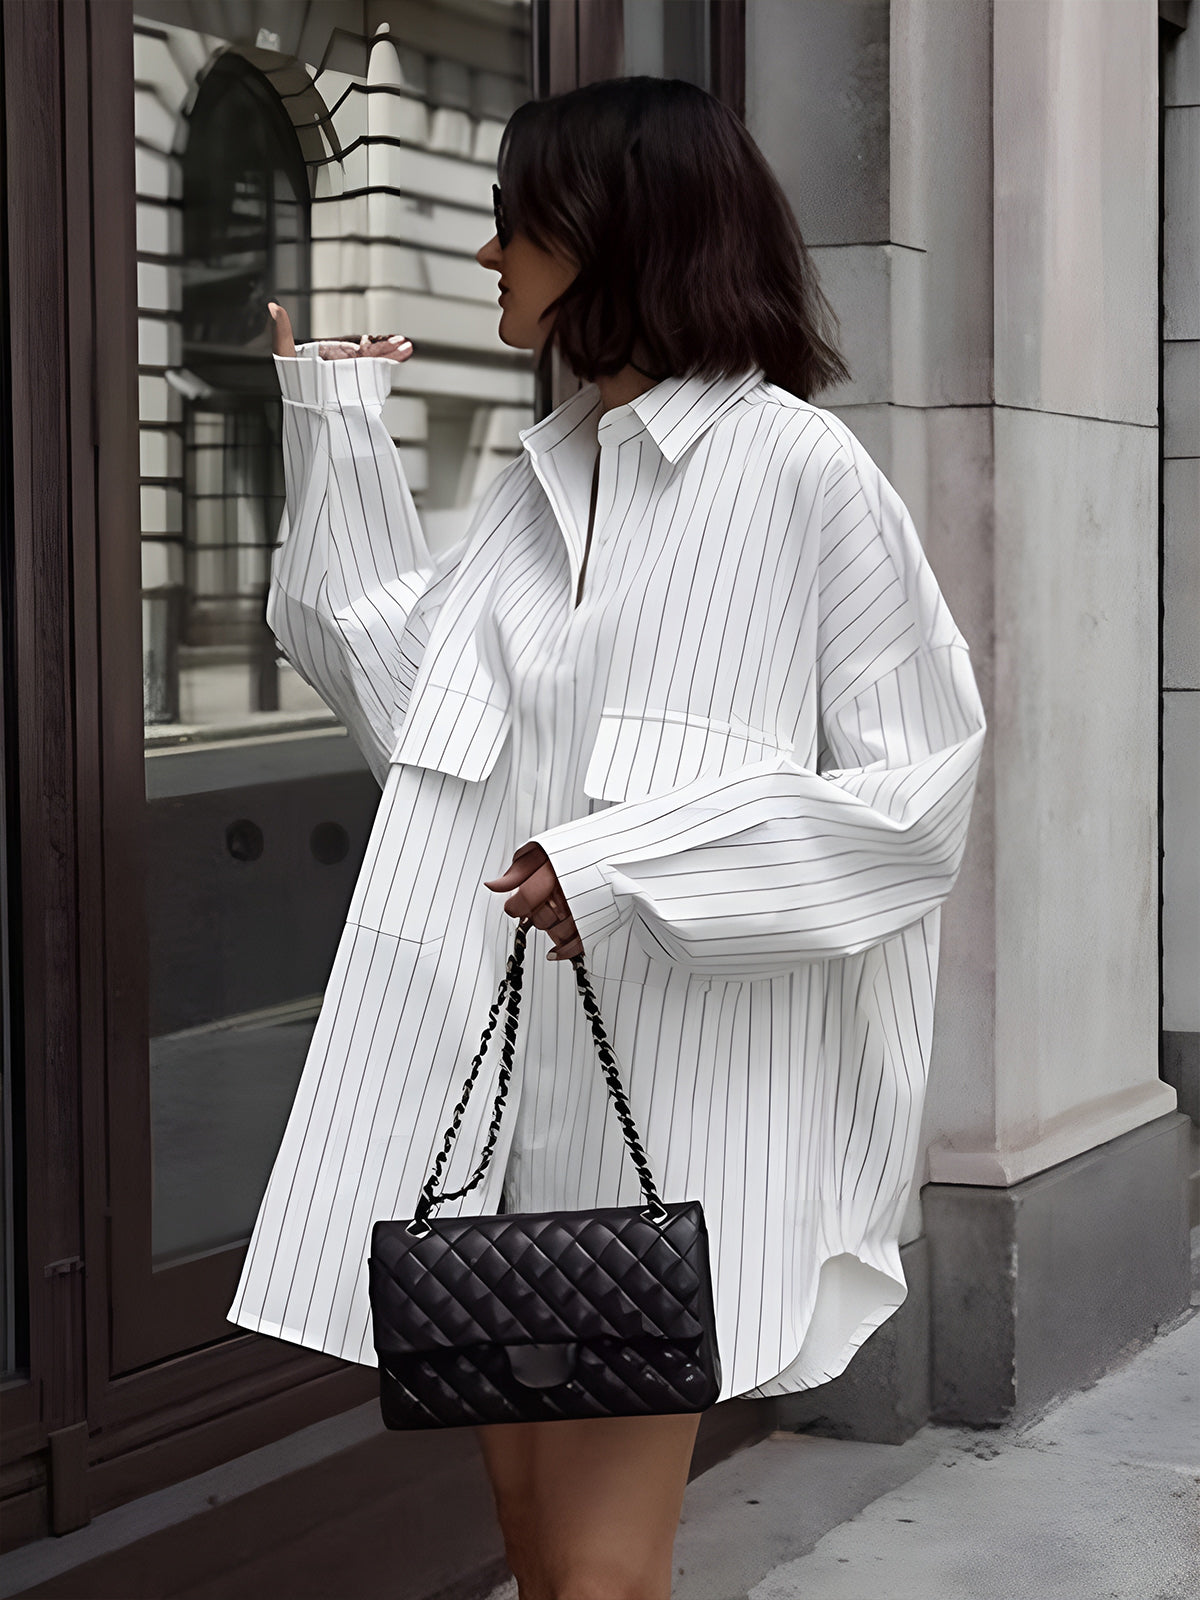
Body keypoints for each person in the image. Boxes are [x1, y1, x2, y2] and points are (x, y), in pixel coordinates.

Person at [227, 76, 985, 1600]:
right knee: (539, 1554)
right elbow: (414, 713)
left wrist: (631, 868)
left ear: (617, 233)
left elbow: (919, 794)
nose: (489, 254)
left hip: (677, 1116)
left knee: (599, 1580)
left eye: (518, 220)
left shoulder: (798, 474)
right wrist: (338, 430)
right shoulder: (542, 480)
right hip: (501, 1105)